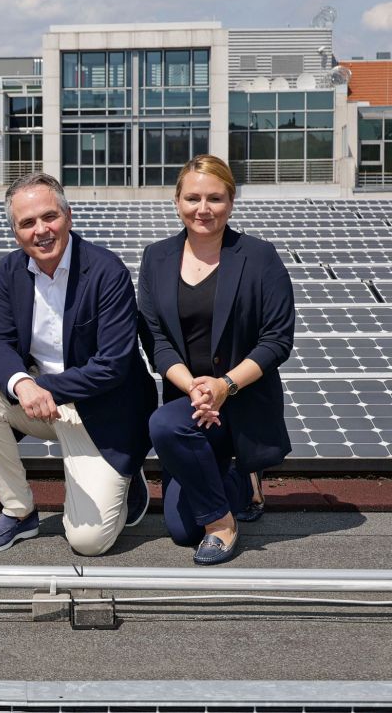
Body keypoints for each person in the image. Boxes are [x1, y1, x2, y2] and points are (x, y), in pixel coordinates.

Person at [0, 173, 157, 555]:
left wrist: (42, 387)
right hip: (44, 406)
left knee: (88, 543)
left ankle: (125, 473)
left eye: (49, 217)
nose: (41, 230)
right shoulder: (11, 271)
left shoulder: (106, 271)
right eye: (27, 223)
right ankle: (19, 512)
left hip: (104, 412)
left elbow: (113, 365)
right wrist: (22, 384)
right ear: (16, 232)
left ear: (68, 216)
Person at [138, 154, 294, 565]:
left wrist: (224, 385)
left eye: (215, 198)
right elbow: (155, 339)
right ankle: (231, 488)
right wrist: (195, 387)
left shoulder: (259, 257)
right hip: (191, 406)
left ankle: (223, 522)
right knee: (180, 529)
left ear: (231, 201)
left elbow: (277, 340)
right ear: (176, 202)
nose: (203, 209)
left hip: (240, 403)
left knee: (163, 429)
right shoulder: (156, 257)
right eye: (192, 198)